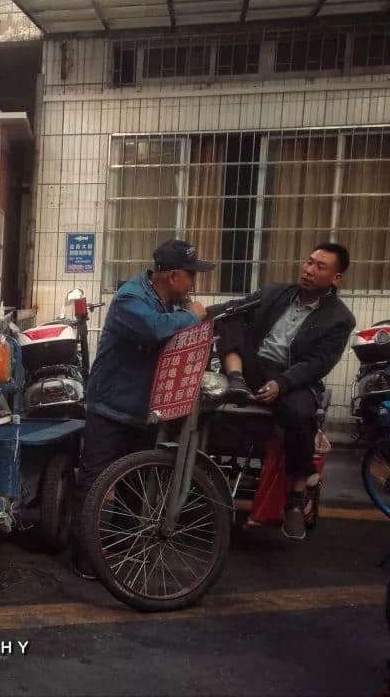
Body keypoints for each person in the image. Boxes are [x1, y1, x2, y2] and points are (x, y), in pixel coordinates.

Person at [71, 239, 211, 580]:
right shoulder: (131, 299)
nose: (194, 285)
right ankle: (83, 555)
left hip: (143, 409)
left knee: (133, 482)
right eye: (191, 277)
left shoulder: (171, 300)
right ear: (174, 275)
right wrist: (189, 317)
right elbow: (154, 330)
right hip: (110, 407)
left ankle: (120, 544)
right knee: (94, 481)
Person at [208, 243, 356, 540]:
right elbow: (233, 307)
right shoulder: (275, 292)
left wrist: (282, 384)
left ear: (336, 278)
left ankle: (297, 497)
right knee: (233, 316)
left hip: (293, 377)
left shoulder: (340, 318)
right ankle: (235, 380)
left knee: (301, 414)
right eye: (309, 262)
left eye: (320, 267)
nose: (309, 270)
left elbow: (317, 364)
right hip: (251, 367)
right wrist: (201, 312)